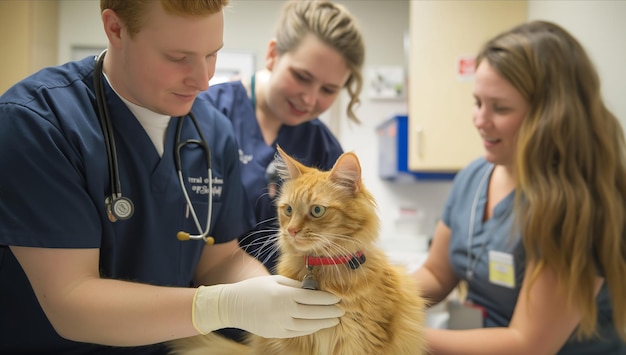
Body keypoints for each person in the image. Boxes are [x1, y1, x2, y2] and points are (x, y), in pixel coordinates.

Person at [0, 1, 345, 353]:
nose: (204, 79)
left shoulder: (213, 131)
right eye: (178, 57)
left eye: (212, 54)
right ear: (115, 29)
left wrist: (270, 292)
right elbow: (70, 301)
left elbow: (221, 259)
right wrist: (221, 306)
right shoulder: (38, 124)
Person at [412, 20, 626, 354]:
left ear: (552, 117)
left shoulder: (575, 205)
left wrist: (390, 334)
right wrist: (371, 300)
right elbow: (437, 275)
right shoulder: (474, 176)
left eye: (500, 108)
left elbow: (526, 345)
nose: (480, 120)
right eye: (478, 102)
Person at [201, 0, 365, 273]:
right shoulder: (209, 113)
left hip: (292, 300)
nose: (309, 98)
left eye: (328, 90)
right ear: (273, 54)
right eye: (301, 77)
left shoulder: (322, 146)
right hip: (201, 297)